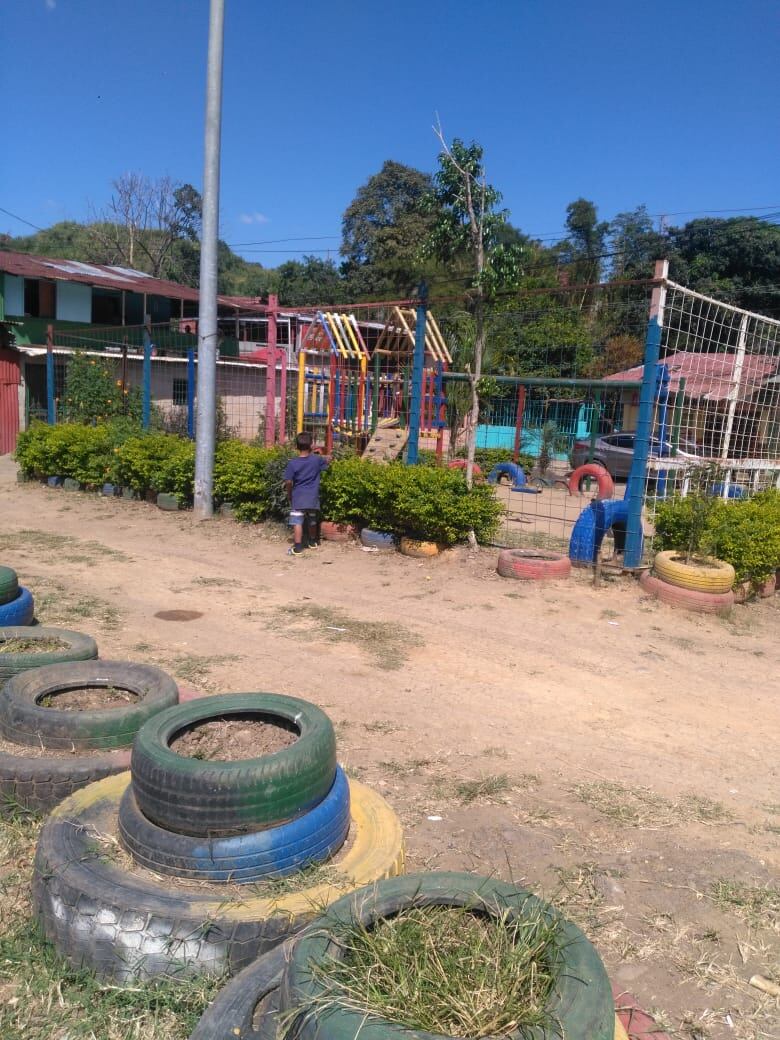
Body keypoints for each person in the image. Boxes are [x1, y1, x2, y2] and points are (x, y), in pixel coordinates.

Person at [283, 432, 328, 556]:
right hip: (312, 497)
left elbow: (288, 481)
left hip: (298, 497)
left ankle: (297, 548)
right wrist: (324, 456)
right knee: (312, 519)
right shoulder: (317, 460)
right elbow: (326, 465)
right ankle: (313, 542)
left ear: (296, 446)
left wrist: (289, 493)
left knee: (297, 521)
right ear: (311, 445)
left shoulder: (292, 463)